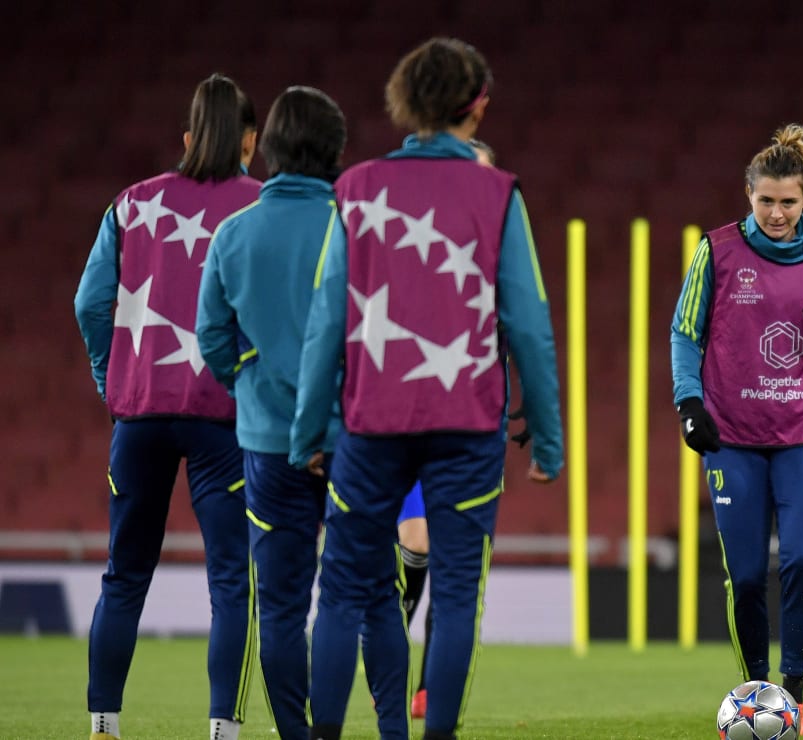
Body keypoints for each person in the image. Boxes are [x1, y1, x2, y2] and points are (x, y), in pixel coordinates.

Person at [290, 36, 563, 740]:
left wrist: (309, 433)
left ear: (402, 102)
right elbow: (529, 325)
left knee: (344, 593)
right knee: (455, 596)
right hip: (467, 424)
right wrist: (549, 441)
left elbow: (327, 323)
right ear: (479, 107)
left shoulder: (353, 188)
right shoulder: (498, 192)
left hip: (369, 421)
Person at [73, 73, 260, 740]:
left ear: (186, 138)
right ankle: (222, 729)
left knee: (124, 573)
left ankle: (103, 723)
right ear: (250, 140)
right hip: (225, 421)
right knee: (232, 581)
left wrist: (112, 377)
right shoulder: (260, 206)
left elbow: (88, 304)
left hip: (141, 415)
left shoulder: (131, 204)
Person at [670, 123, 803, 736]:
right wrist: (689, 402)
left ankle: (791, 697)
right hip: (733, 439)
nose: (777, 213)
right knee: (745, 575)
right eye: (766, 200)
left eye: (789, 202)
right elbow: (684, 332)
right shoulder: (715, 251)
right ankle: (756, 686)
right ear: (748, 194)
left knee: (801, 562)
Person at [194, 85, 349, 740]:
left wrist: (250, 383)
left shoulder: (233, 234)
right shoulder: (356, 226)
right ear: (335, 150)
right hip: (351, 440)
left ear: (271, 149)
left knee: (281, 608)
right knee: (354, 601)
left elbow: (210, 338)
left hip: (265, 444)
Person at [399, 134, 500, 723]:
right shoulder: (412, 241)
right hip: (407, 420)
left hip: (470, 424)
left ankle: (431, 688)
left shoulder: (499, 248)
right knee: (417, 541)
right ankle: (392, 641)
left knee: (454, 557)